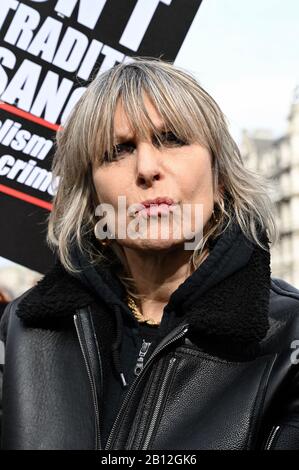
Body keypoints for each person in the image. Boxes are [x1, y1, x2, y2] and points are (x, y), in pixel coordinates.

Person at [1, 57, 299, 450]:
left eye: (172, 139)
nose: (146, 167)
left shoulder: (289, 337)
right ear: (91, 200)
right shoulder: (21, 331)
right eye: (117, 150)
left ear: (221, 178)